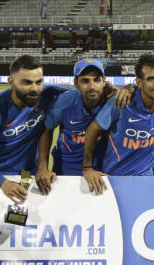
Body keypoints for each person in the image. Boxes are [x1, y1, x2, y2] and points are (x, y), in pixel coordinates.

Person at [0, 55, 65, 203]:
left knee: (26, 219)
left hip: (27, 174)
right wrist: (2, 183)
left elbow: (78, 96)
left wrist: (108, 91)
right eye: (27, 83)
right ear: (11, 82)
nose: (34, 89)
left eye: (39, 82)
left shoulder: (47, 95)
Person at [81, 53, 154, 193]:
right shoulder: (121, 102)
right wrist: (87, 168)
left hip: (147, 177)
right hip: (115, 178)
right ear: (139, 82)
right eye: (151, 79)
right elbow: (92, 130)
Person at [34, 58, 111, 194]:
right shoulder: (63, 103)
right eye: (85, 81)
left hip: (102, 168)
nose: (92, 86)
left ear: (104, 81)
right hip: (67, 167)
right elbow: (46, 129)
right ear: (76, 83)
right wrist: (43, 167)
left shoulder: (113, 102)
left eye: (97, 80)